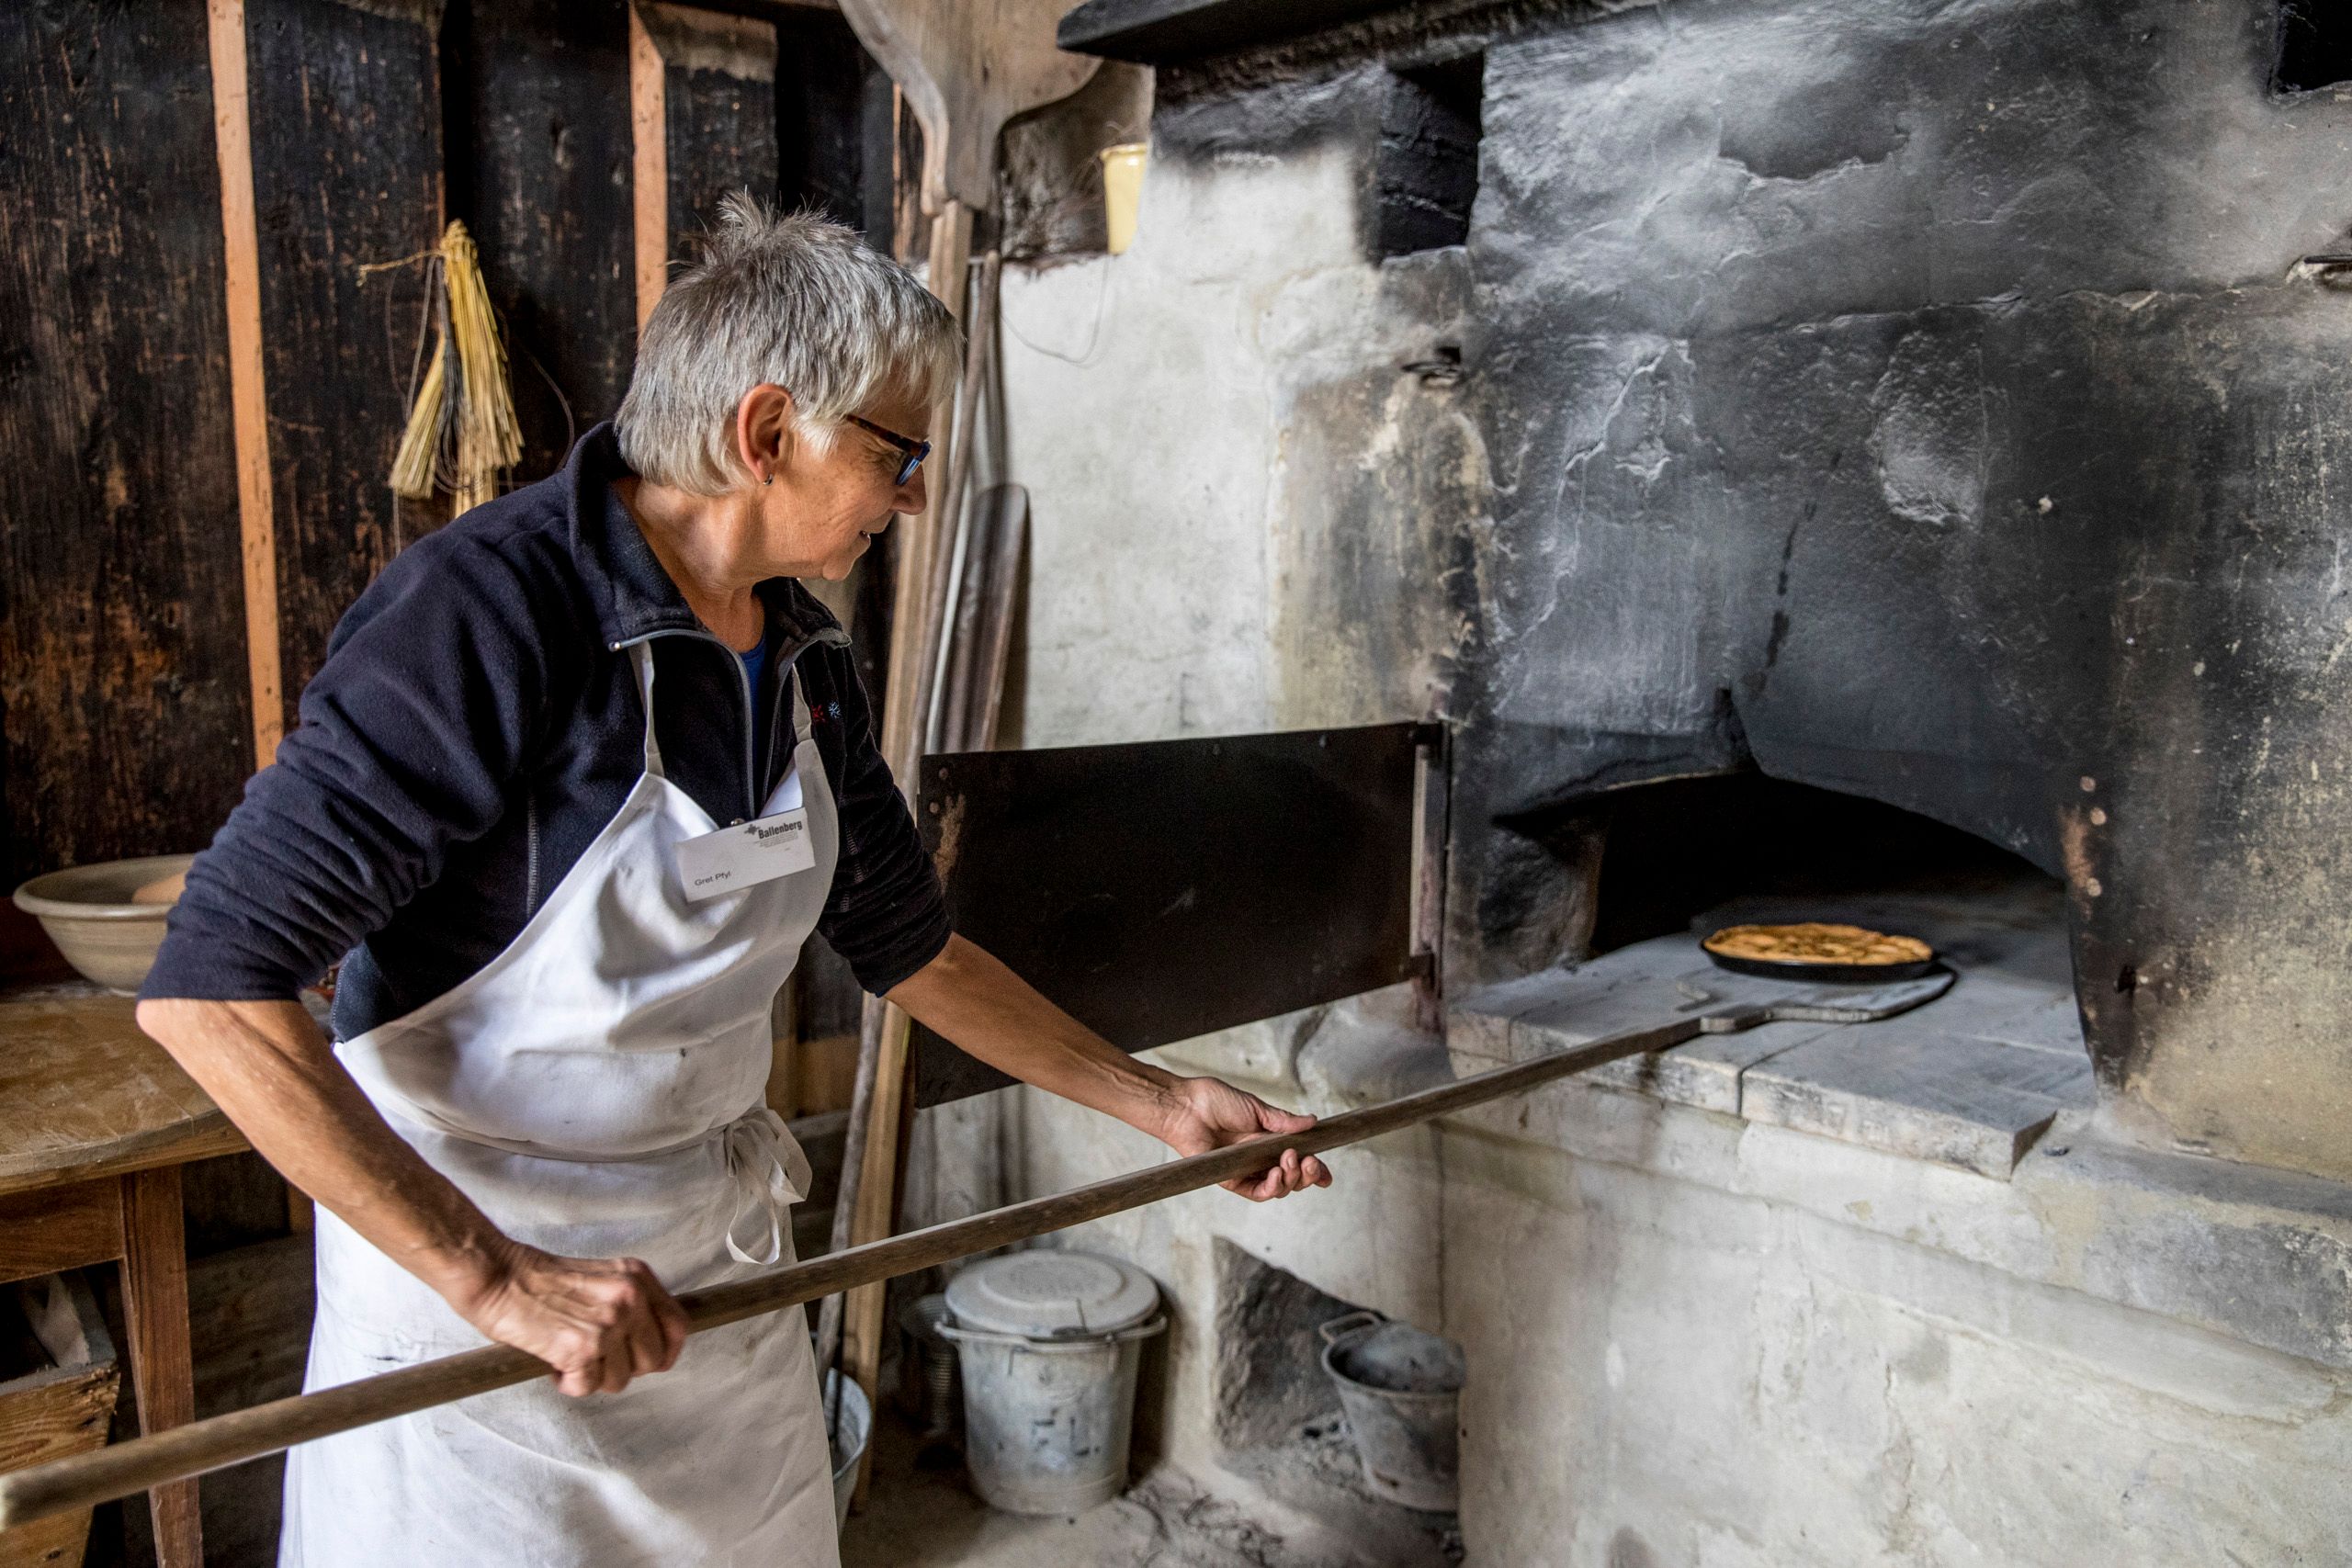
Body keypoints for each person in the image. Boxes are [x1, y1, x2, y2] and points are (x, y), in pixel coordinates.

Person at [135, 196, 1330, 1568]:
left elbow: (914, 952)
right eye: (899, 452)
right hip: (488, 1331)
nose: (916, 492)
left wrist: (1159, 1101)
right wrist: (499, 1280)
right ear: (768, 432)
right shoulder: (489, 612)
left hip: (712, 1280)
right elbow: (210, 992)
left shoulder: (806, 661)